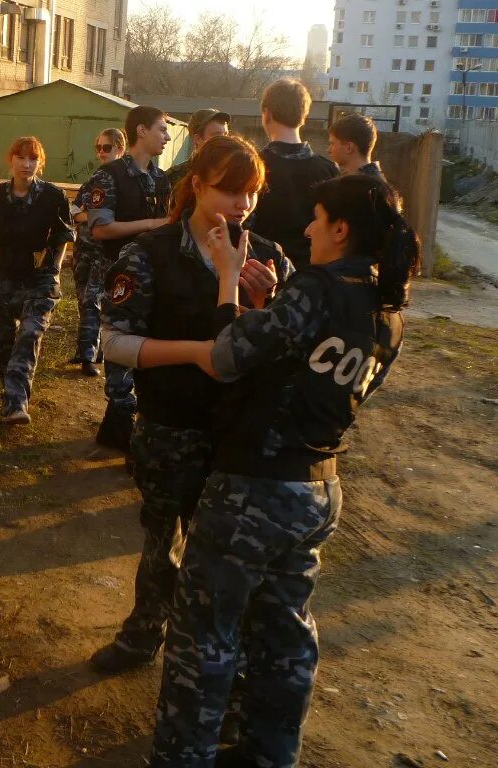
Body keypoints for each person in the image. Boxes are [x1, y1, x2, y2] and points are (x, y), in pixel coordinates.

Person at [139, 174, 417, 768]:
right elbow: (311, 374)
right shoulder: (387, 311)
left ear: (341, 229)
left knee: (204, 635)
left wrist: (227, 285)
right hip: (318, 489)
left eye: (317, 219)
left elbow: (228, 358)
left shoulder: (315, 287)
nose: (309, 229)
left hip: (253, 489)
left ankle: (183, 756)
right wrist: (267, 310)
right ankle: (271, 754)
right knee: (284, 634)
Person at [89, 136, 292, 674]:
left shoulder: (268, 257)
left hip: (240, 436)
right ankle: (143, 634)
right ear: (198, 184)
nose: (241, 204)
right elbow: (113, 343)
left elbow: (289, 349)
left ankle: (218, 664)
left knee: (230, 559)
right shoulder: (152, 253)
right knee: (162, 543)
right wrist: (199, 353)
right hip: (171, 427)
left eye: (251, 192)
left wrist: (264, 304)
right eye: (229, 189)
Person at [82, 106, 173, 451]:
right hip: (119, 276)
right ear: (141, 131)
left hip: (155, 275)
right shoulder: (109, 176)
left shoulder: (160, 178)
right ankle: (120, 415)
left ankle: (136, 422)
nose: (166, 137)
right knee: (121, 343)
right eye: (161, 130)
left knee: (148, 344)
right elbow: (101, 228)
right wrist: (153, 225)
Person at [0, 136, 73, 424]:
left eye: (33, 158)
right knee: (3, 344)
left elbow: (64, 236)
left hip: (39, 279)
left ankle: (16, 404)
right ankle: (10, 391)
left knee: (30, 333)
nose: (26, 163)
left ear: (40, 163)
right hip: (3, 277)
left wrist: (54, 270)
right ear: (11, 160)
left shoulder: (53, 197)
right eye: (21, 157)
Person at [246, 78, 339, 272]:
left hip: (261, 273)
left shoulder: (253, 166)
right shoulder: (330, 171)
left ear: (266, 114)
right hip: (315, 277)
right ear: (304, 117)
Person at [67, 128, 125, 376]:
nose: (102, 152)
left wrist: (90, 217)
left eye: (107, 148)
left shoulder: (124, 180)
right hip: (84, 248)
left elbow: (119, 217)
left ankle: (88, 356)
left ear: (120, 149)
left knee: (94, 298)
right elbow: (73, 211)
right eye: (98, 148)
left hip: (107, 250)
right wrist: (94, 217)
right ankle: (91, 350)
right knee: (83, 299)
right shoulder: (95, 179)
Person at [167, 110, 232, 189]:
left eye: (225, 135)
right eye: (216, 135)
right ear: (198, 139)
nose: (224, 140)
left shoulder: (233, 172)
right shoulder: (176, 176)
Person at [327, 112, 387, 183]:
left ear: (349, 147)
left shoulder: (362, 187)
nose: (328, 150)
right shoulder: (377, 183)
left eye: (332, 143)